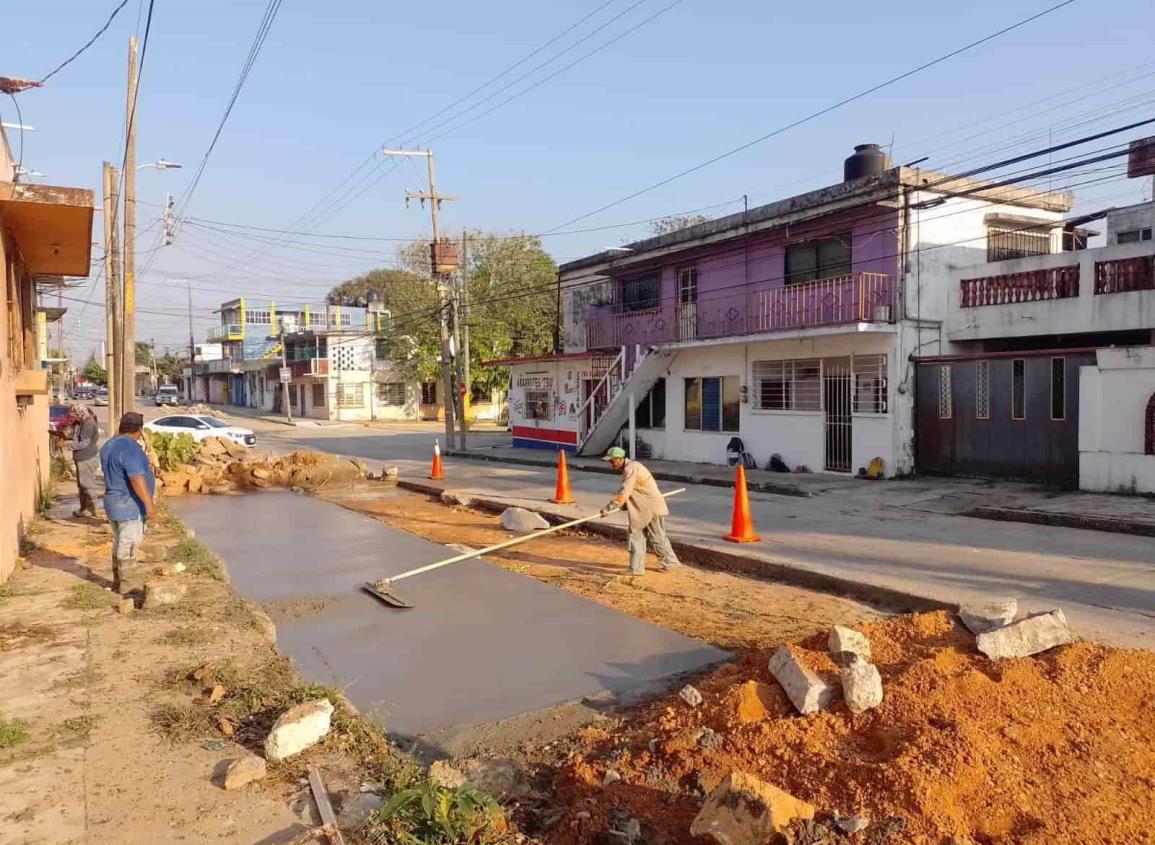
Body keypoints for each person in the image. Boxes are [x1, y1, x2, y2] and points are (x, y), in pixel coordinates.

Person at [599, 446, 682, 575]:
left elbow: (625, 491)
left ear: (620, 459)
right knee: (656, 536)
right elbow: (634, 492)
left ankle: (637, 568)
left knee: (639, 536)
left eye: (612, 461)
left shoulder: (631, 468)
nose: (611, 464)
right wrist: (623, 505)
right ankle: (670, 562)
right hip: (647, 507)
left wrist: (609, 507)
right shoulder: (633, 466)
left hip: (648, 508)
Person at [99, 412, 156, 593]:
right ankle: (128, 587)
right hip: (128, 505)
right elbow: (136, 478)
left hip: (112, 503)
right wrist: (149, 504)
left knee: (120, 542)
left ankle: (118, 582)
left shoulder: (108, 445)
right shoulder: (131, 449)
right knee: (129, 545)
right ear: (140, 429)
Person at [63, 404, 101, 518]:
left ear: (79, 413)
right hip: (82, 458)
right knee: (82, 485)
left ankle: (93, 509)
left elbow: (84, 443)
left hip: (87, 458)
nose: (74, 418)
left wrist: (67, 445)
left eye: (75, 415)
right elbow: (76, 436)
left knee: (87, 485)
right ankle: (84, 509)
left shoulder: (88, 424)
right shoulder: (81, 423)